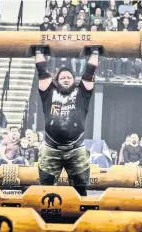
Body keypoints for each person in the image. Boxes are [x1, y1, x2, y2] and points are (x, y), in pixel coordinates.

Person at [36, 48, 99, 197]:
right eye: (62, 77)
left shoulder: (82, 93)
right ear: (57, 81)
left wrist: (95, 53)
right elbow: (42, 72)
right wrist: (38, 51)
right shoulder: (48, 92)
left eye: (69, 77)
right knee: (45, 190)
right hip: (51, 149)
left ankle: (81, 218)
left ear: (74, 80)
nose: (66, 79)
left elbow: (89, 72)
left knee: (80, 190)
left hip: (76, 150)